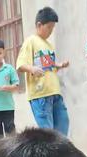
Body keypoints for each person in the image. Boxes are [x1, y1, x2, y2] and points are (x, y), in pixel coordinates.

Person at [16, 7, 70, 135]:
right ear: (39, 25)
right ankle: (50, 155)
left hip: (55, 92)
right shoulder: (31, 41)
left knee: (63, 124)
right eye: (49, 27)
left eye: (53, 28)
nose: (51, 31)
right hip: (40, 95)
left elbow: (48, 65)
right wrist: (32, 69)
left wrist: (59, 65)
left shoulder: (48, 45)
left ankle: (60, 154)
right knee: (48, 133)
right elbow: (20, 64)